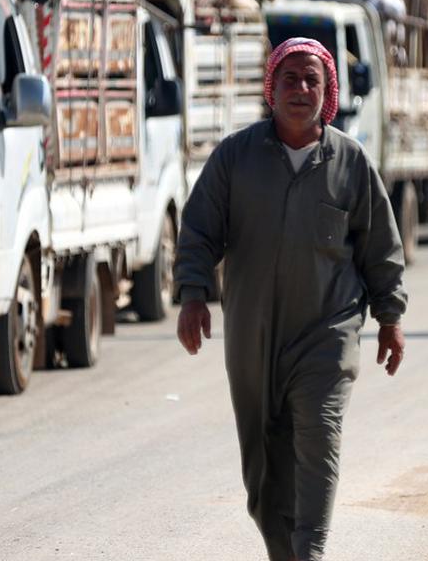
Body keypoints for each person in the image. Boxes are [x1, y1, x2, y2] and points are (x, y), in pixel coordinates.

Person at [173, 37, 408, 561]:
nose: (300, 90)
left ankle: (312, 552)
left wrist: (390, 318)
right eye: (290, 80)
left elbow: (380, 248)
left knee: (318, 438)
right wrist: (193, 295)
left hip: (328, 332)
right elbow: (199, 231)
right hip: (253, 338)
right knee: (262, 471)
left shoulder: (350, 162)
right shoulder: (236, 157)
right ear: (271, 88)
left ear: (327, 93)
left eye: (312, 81)